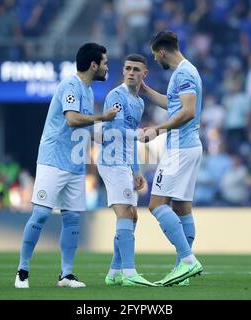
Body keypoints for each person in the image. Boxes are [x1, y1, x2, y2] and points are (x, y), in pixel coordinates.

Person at [15, 43, 118, 289]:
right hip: (52, 160)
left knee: (72, 219)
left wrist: (115, 136)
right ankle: (22, 271)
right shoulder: (69, 86)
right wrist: (102, 118)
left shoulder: (90, 92)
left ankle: (66, 275)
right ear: (93, 65)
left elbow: (86, 128)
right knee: (40, 214)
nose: (106, 67)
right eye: (104, 63)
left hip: (75, 164)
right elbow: (72, 119)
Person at [139, 30, 203, 286]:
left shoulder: (184, 74)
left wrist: (157, 129)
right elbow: (174, 103)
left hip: (180, 149)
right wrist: (146, 90)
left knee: (156, 205)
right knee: (182, 208)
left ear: (162, 51)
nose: (155, 60)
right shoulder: (187, 72)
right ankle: (182, 271)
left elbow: (187, 112)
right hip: (189, 147)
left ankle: (187, 260)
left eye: (155, 55)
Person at [97, 54, 156, 287]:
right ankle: (130, 273)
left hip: (125, 163)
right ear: (123, 72)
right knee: (125, 215)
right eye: (128, 68)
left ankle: (114, 273)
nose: (131, 72)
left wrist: (136, 169)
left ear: (145, 74)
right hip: (111, 162)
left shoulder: (139, 102)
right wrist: (140, 134)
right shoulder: (116, 96)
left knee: (132, 217)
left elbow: (130, 141)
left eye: (136, 69)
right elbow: (117, 129)